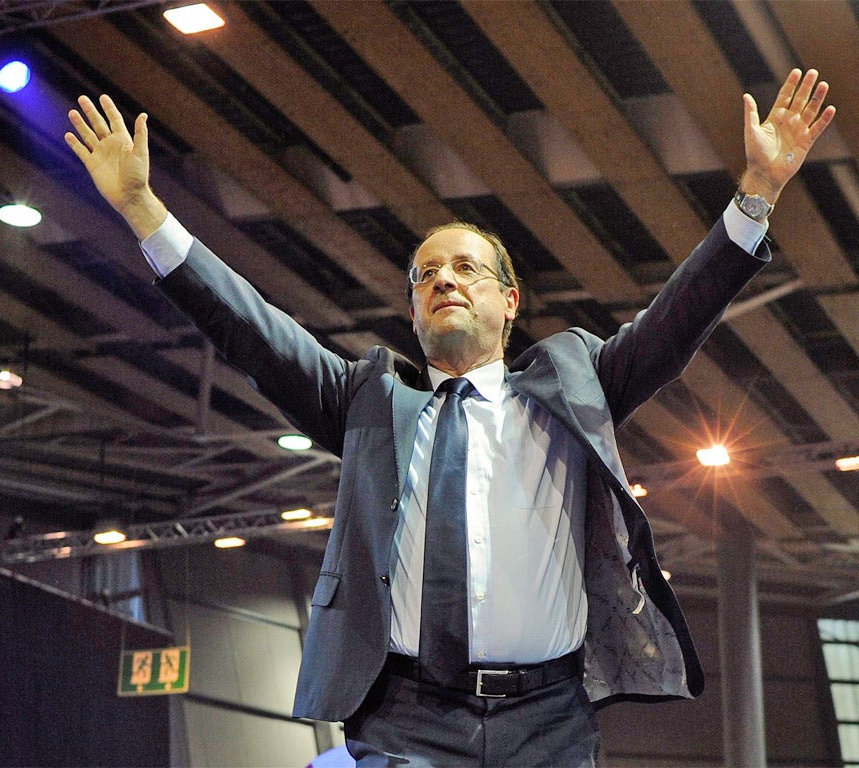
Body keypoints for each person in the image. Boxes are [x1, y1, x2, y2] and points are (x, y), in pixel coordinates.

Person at [65, 69, 835, 767]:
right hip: (405, 719)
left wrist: (757, 194)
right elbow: (252, 329)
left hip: (551, 721)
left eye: (467, 268)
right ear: (411, 311)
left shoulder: (576, 382)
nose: (444, 281)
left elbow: (678, 319)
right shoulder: (364, 398)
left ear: (510, 301)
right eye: (427, 275)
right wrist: (143, 209)